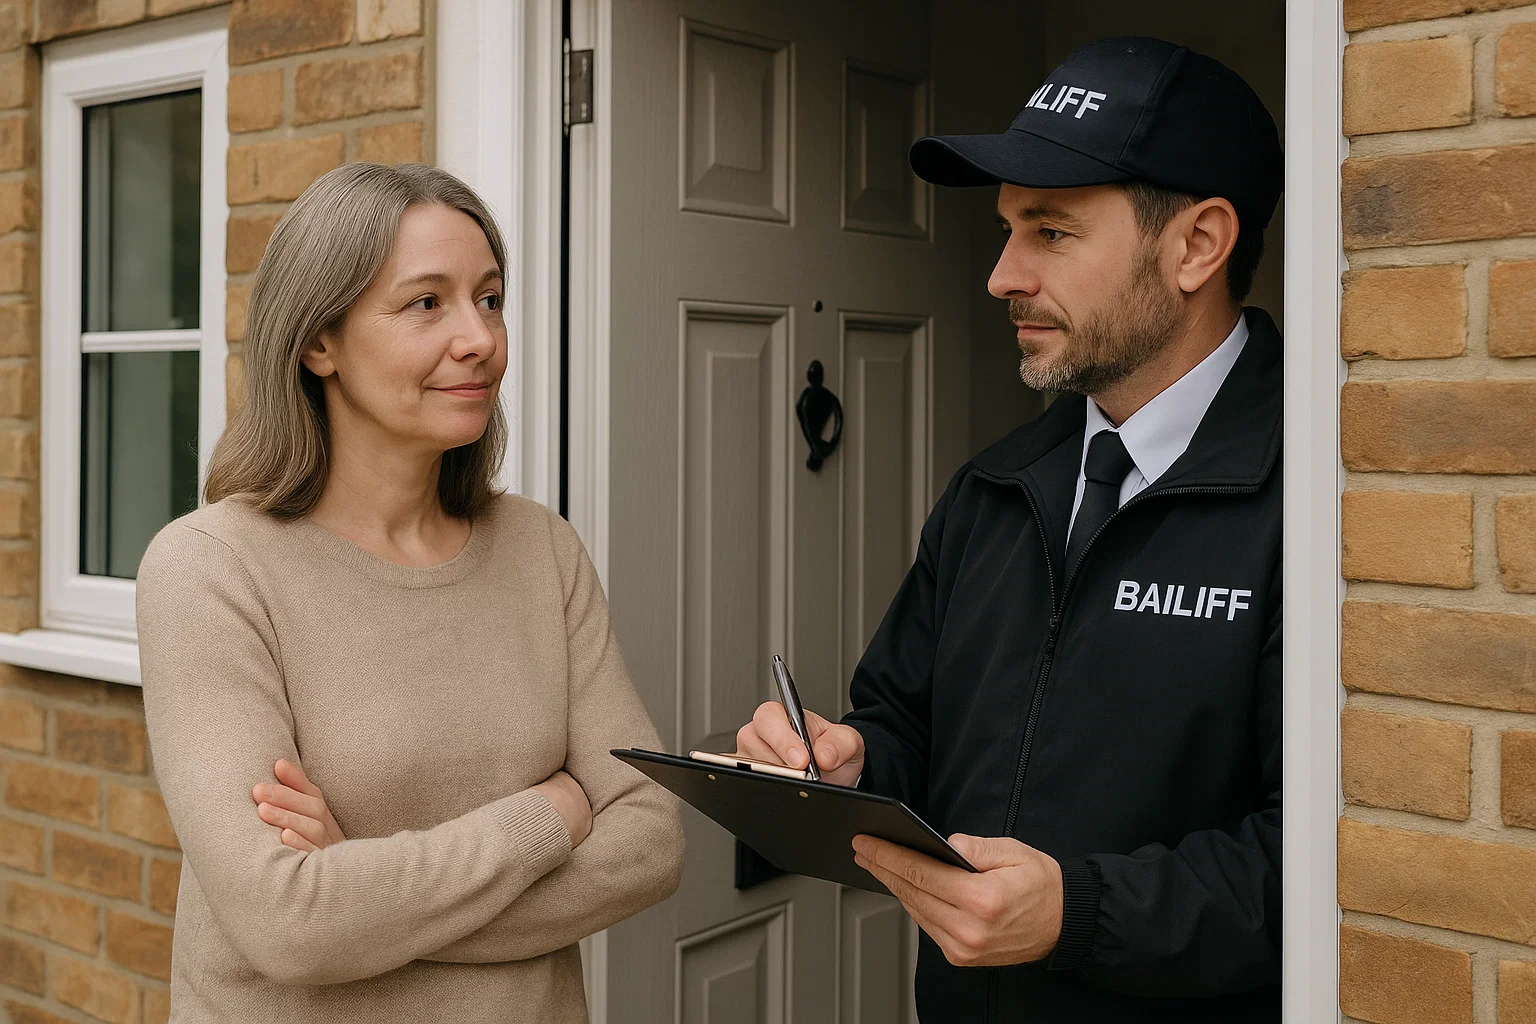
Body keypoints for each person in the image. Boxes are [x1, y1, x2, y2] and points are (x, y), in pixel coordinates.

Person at [735, 36, 1283, 1022]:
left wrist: (1079, 912)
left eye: (1051, 232)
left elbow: (1341, 856)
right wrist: (853, 763)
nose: (1000, 275)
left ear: (1198, 245)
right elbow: (906, 724)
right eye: (1006, 230)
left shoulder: (1323, 506)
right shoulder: (994, 488)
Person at [136, 162, 683, 1023]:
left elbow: (650, 841)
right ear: (319, 343)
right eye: (427, 303)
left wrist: (363, 892)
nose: (480, 338)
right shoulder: (210, 569)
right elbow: (289, 922)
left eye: (490, 299)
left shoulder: (541, 549)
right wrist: (547, 816)